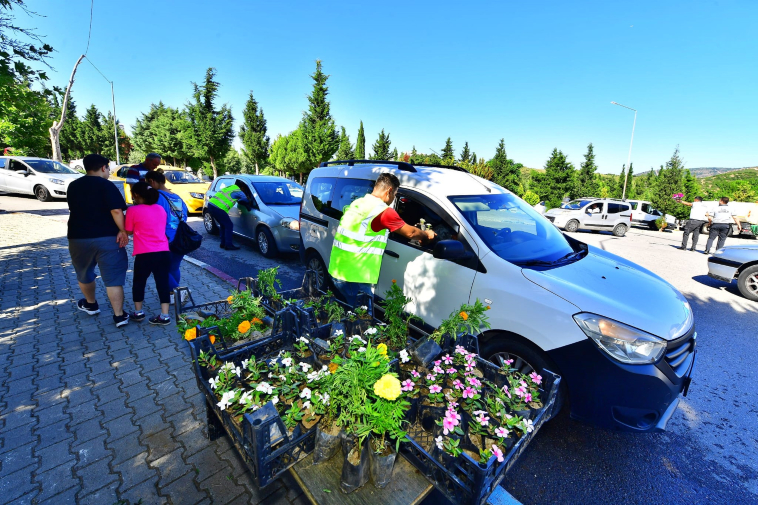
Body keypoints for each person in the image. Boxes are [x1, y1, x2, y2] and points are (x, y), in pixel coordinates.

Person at [327, 172, 436, 306]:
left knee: (350, 311)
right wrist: (427, 235)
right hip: (354, 277)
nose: (393, 199)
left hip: (337, 270)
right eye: (395, 195)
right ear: (389, 191)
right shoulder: (383, 211)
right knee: (362, 319)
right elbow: (411, 233)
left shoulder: (359, 202)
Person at [66, 154, 130, 327]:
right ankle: (119, 315)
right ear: (103, 167)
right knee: (113, 278)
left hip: (78, 237)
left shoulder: (73, 185)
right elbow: (116, 211)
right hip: (107, 237)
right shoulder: (106, 185)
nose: (108, 171)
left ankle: (91, 304)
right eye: (108, 168)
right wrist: (123, 231)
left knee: (84, 272)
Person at [124, 182, 172, 325]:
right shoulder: (161, 209)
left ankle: (138, 313)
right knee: (162, 282)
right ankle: (165, 315)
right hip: (163, 251)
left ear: (137, 195)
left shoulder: (133, 210)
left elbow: (128, 230)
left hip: (144, 253)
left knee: (139, 282)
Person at [146, 170, 189, 304]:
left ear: (152, 181)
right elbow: (185, 215)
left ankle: (179, 292)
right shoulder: (176, 196)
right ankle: (173, 295)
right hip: (181, 238)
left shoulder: (156, 197)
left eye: (148, 183)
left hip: (164, 238)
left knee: (159, 268)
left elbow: (152, 217)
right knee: (174, 267)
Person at [206, 179, 253, 250]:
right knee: (229, 225)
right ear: (242, 187)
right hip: (218, 208)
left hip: (210, 205)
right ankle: (228, 245)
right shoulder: (239, 191)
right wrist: (249, 203)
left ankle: (223, 243)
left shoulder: (230, 187)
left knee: (223, 224)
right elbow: (245, 200)